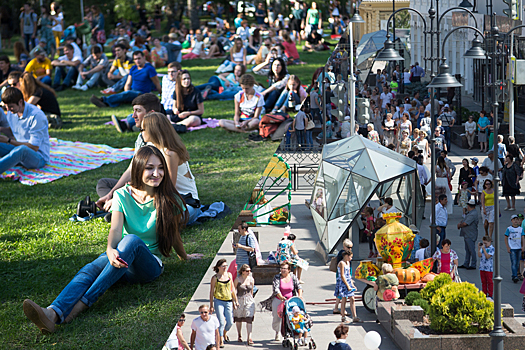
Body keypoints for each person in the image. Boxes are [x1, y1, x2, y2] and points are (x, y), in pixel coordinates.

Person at [22, 145, 201, 334]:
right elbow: (115, 229)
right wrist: (109, 249)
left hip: (149, 266)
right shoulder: (122, 194)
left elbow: (173, 235)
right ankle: (52, 313)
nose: (157, 173)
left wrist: (185, 256)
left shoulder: (169, 198)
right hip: (123, 258)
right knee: (91, 269)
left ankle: (80, 306)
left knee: (131, 240)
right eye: (150, 168)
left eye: (160, 168)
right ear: (139, 169)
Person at [96, 94, 163, 212]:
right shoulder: (141, 137)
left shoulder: (159, 140)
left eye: (138, 111)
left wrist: (122, 195)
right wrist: (111, 194)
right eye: (133, 111)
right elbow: (132, 169)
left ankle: (118, 210)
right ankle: (116, 207)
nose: (133, 116)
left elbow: (155, 179)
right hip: (143, 186)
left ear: (150, 113)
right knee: (103, 183)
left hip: (156, 188)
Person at [141, 112, 202, 224]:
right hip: (164, 198)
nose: (141, 133)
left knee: (164, 218)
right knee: (106, 184)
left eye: (143, 129)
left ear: (153, 130)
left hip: (185, 203)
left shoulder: (170, 153)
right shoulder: (152, 148)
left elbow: (168, 187)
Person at [0, 87, 49, 174]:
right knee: (18, 150)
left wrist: (8, 140)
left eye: (10, 107)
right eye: (6, 107)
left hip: (38, 157)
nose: (8, 110)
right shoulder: (12, 112)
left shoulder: (36, 116)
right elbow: (15, 130)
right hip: (18, 151)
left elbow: (34, 147)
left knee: (21, 150)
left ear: (20, 102)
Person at [90, 51, 161, 108]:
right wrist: (127, 91)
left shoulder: (149, 69)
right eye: (135, 59)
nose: (137, 61)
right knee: (125, 95)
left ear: (144, 58)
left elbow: (157, 83)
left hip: (142, 94)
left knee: (127, 94)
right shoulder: (133, 68)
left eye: (139, 58)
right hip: (132, 92)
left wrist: (161, 96)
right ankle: (106, 104)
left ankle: (103, 100)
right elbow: (128, 83)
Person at [260, 261, 302, 341]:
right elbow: (276, 289)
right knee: (277, 318)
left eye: (285, 269)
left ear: (289, 270)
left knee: (291, 316)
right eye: (282, 268)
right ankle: (277, 331)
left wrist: (299, 296)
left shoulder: (293, 277)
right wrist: (281, 297)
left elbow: (299, 287)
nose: (283, 270)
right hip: (279, 300)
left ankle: (291, 331)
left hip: (291, 301)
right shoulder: (277, 277)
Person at [209, 259, 237, 348]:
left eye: (226, 266)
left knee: (230, 322)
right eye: (223, 266)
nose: (225, 267)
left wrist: (235, 301)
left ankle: (224, 332)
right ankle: (221, 340)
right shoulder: (215, 278)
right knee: (221, 321)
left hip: (228, 300)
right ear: (218, 267)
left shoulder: (229, 275)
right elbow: (211, 292)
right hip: (219, 301)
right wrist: (211, 305)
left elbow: (232, 289)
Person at [335, 250, 361, 323]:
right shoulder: (342, 263)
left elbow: (349, 275)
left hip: (348, 282)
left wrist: (352, 285)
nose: (351, 258)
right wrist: (347, 286)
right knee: (344, 299)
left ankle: (354, 316)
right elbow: (342, 276)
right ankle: (343, 317)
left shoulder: (348, 263)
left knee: (352, 298)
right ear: (346, 256)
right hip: (343, 283)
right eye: (350, 257)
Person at [233, 264, 255, 345]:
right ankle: (239, 335)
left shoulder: (251, 279)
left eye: (249, 270)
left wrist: (252, 300)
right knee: (239, 318)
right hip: (239, 299)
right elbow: (234, 291)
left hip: (249, 300)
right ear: (242, 272)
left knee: (249, 318)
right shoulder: (237, 280)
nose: (249, 272)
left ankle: (249, 337)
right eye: (247, 271)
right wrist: (234, 301)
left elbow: (251, 290)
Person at [332, 239, 353, 314]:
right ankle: (342, 310)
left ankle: (336, 307)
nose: (350, 249)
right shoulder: (343, 254)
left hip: (342, 274)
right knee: (343, 293)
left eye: (351, 247)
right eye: (348, 247)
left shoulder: (343, 253)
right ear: (344, 246)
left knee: (340, 292)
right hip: (343, 274)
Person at [457, 199, 479, 270]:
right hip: (468, 234)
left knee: (471, 250)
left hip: (470, 234)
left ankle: (473, 264)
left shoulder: (472, 214)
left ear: (469, 206)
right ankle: (466, 263)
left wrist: (460, 225)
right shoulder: (470, 213)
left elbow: (465, 223)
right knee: (467, 249)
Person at [505, 215, 525, 283]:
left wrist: (523, 246)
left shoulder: (520, 229)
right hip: (512, 248)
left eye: (517, 219)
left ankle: (516, 274)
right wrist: (508, 247)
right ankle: (514, 275)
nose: (515, 221)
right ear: (511, 221)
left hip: (518, 247)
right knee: (514, 262)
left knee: (517, 263)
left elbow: (522, 237)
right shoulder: (509, 229)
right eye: (514, 219)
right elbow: (506, 237)